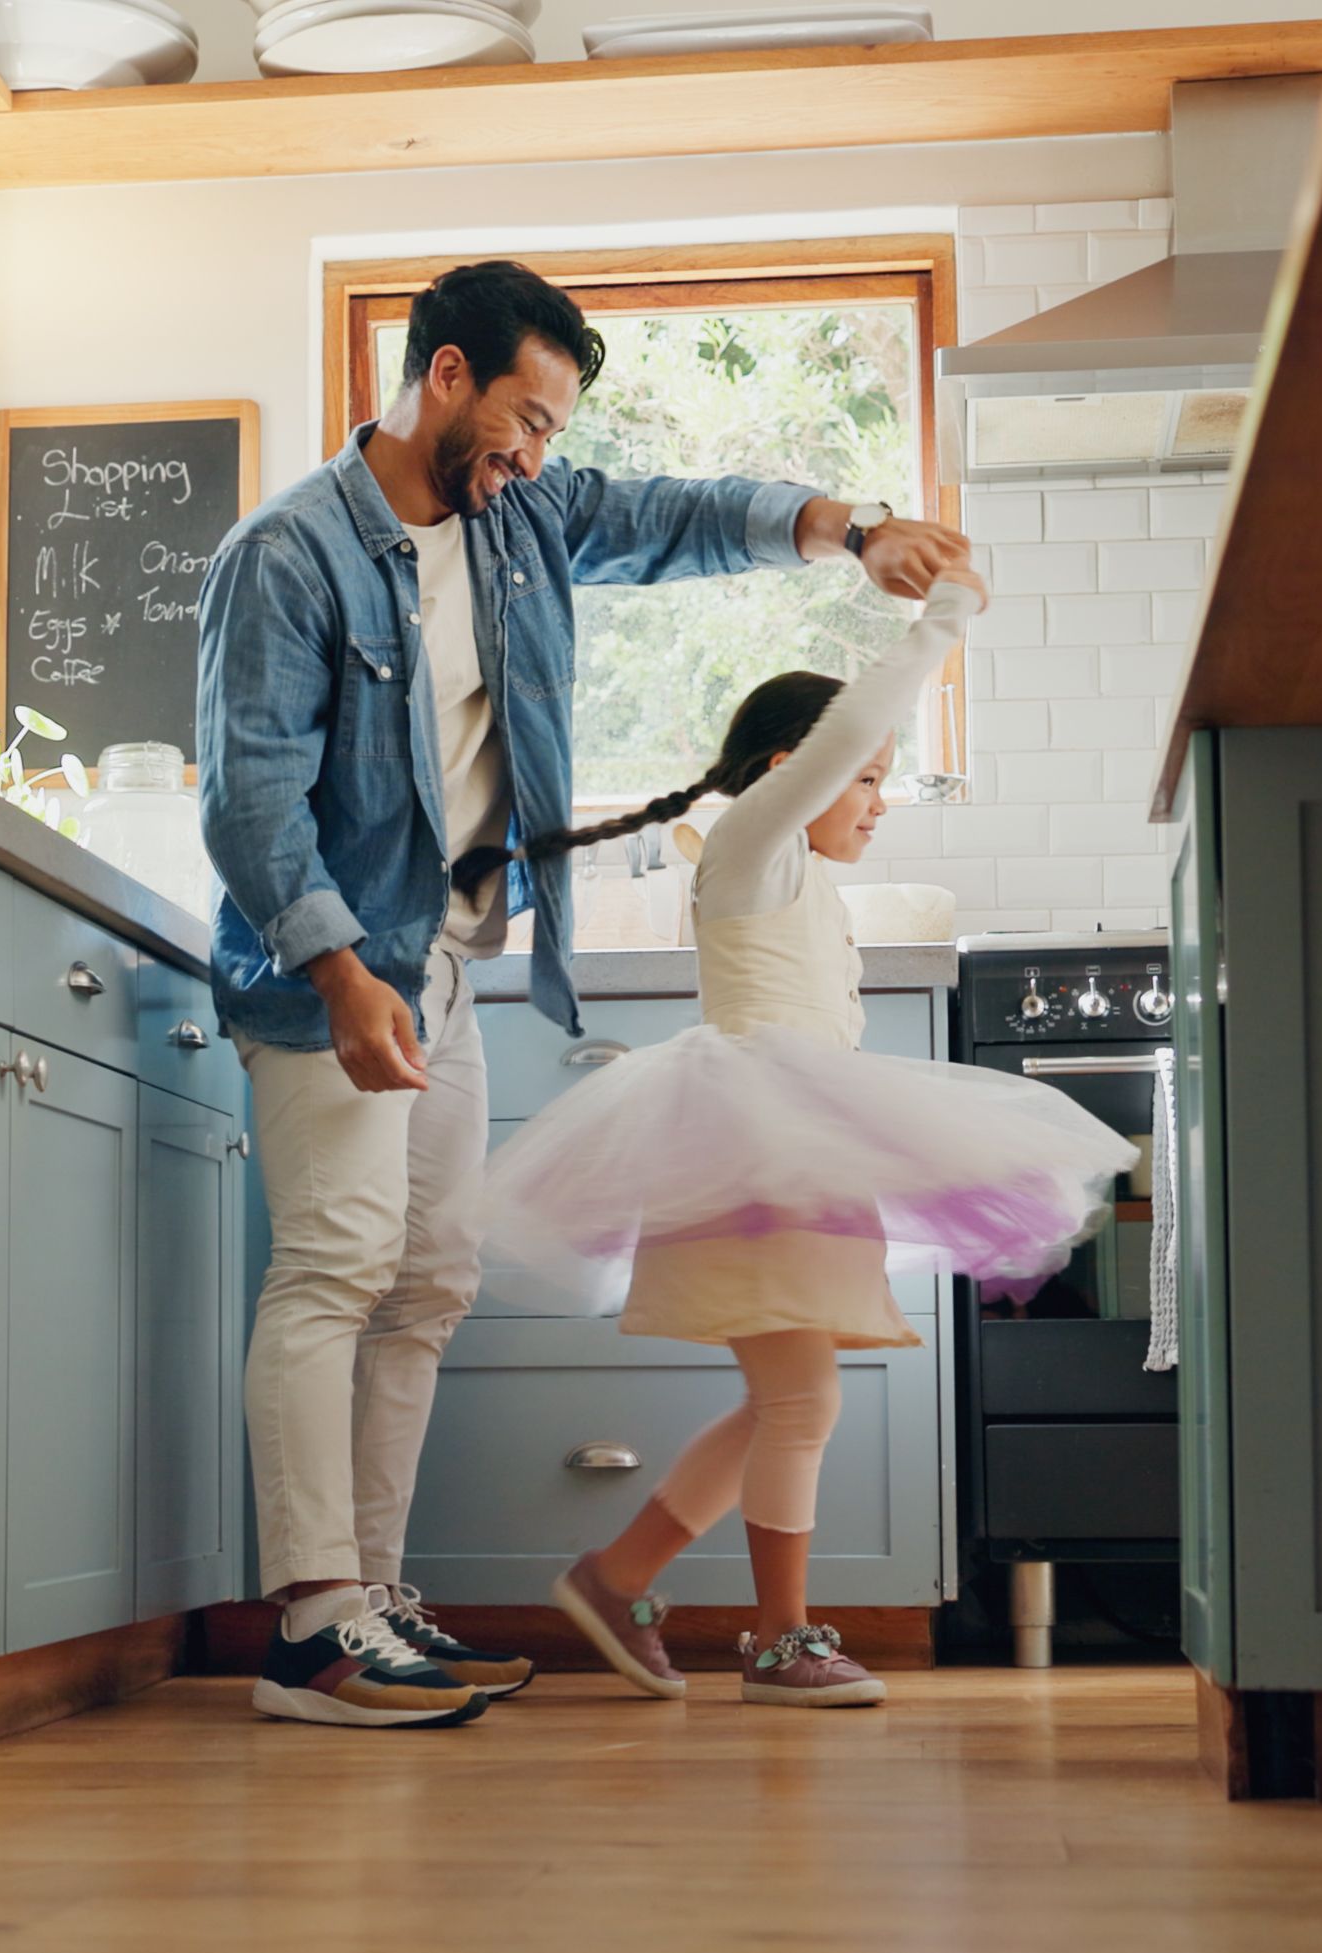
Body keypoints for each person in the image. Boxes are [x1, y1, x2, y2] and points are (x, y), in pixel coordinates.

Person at [196, 259, 972, 1730]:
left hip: (448, 963)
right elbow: (247, 799)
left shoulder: (523, 514)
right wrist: (341, 973)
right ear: (443, 378)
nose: (538, 455)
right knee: (338, 1267)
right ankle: (309, 1628)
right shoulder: (289, 555)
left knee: (429, 1284)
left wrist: (853, 532)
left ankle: (375, 1601)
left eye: (553, 432)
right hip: (332, 967)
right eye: (523, 419)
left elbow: (679, 517)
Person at [474, 568, 1137, 1707]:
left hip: (788, 1145)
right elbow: (846, 737)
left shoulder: (801, 878)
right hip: (757, 1146)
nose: (876, 799)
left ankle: (623, 1573)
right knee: (799, 1399)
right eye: (865, 779)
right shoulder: (753, 844)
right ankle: (767, 1636)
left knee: (792, 1395)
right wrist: (939, 625)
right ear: (795, 773)